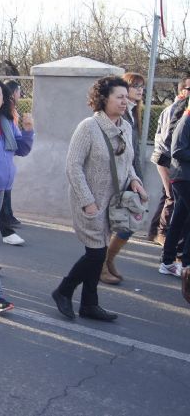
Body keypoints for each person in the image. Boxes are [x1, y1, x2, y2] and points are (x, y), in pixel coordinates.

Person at [52, 76, 146, 322]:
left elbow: (127, 163)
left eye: (127, 97)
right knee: (95, 254)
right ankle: (63, 291)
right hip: (90, 202)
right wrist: (87, 201)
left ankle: (89, 304)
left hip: (114, 204)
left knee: (98, 255)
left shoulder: (125, 126)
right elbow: (73, 166)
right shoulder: (88, 127)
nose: (125, 101)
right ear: (104, 99)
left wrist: (135, 180)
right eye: (120, 97)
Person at [98, 72, 146, 284]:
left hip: (131, 174)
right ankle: (101, 265)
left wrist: (136, 177)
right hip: (116, 178)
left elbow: (132, 150)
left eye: (141, 87)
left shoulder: (134, 113)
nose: (139, 90)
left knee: (128, 223)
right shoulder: (118, 115)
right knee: (113, 224)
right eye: (134, 86)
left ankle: (108, 259)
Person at [0, 78, 34, 247]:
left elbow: (22, 149)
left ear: (3, 99)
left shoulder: (7, 122)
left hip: (1, 187)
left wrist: (28, 130)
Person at [148, 77, 190, 245]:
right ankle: (162, 233)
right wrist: (172, 161)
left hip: (169, 158)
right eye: (188, 88)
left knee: (167, 195)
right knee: (171, 196)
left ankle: (154, 231)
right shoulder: (176, 109)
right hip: (167, 158)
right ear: (182, 90)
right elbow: (169, 140)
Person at [0, 79, 24, 229]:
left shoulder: (10, 109)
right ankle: (6, 217)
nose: (20, 94)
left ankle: (7, 216)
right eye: (19, 91)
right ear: (14, 92)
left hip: (7, 153)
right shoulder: (8, 109)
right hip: (4, 153)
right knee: (4, 187)